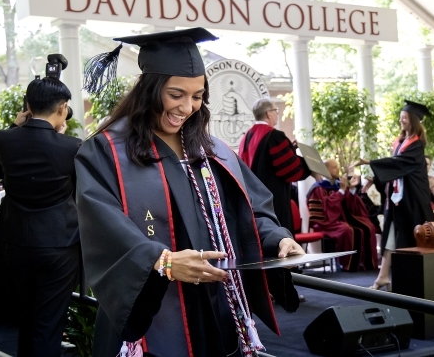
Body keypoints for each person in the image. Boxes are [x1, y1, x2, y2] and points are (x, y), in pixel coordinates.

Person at [75, 27, 305, 357]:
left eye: (197, 96)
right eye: (176, 94)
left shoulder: (213, 152)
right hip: (153, 309)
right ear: (149, 90)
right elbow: (103, 227)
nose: (187, 107)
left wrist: (279, 239)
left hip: (217, 304)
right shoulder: (107, 152)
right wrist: (163, 262)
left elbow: (249, 209)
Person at [0, 77, 81, 357]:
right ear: (63, 108)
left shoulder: (5, 138)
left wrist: (16, 127)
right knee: (48, 324)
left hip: (14, 241)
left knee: (26, 317)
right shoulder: (72, 146)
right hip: (58, 244)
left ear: (28, 106)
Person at [352, 100, 434, 291]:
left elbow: (399, 165)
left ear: (413, 120)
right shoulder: (400, 142)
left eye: (405, 118)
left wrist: (370, 161)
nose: (402, 121)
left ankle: (419, 280)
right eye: (400, 118)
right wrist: (374, 178)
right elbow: (395, 168)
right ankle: (383, 277)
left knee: (412, 240)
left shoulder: (416, 146)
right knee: (390, 236)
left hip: (412, 200)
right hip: (397, 200)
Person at [238, 97, 320, 234]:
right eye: (276, 110)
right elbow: (289, 169)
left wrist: (290, 149)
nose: (277, 114)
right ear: (268, 114)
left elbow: (269, 161)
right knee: (280, 239)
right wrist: (310, 165)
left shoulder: (247, 137)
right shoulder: (275, 136)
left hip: (254, 201)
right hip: (274, 200)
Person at [306, 160, 378, 272]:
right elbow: (327, 210)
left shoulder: (339, 185)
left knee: (369, 227)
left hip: (341, 219)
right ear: (326, 170)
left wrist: (352, 189)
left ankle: (365, 263)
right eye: (334, 167)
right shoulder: (318, 188)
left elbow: (351, 205)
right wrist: (341, 191)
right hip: (325, 223)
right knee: (347, 230)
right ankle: (349, 265)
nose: (338, 169)